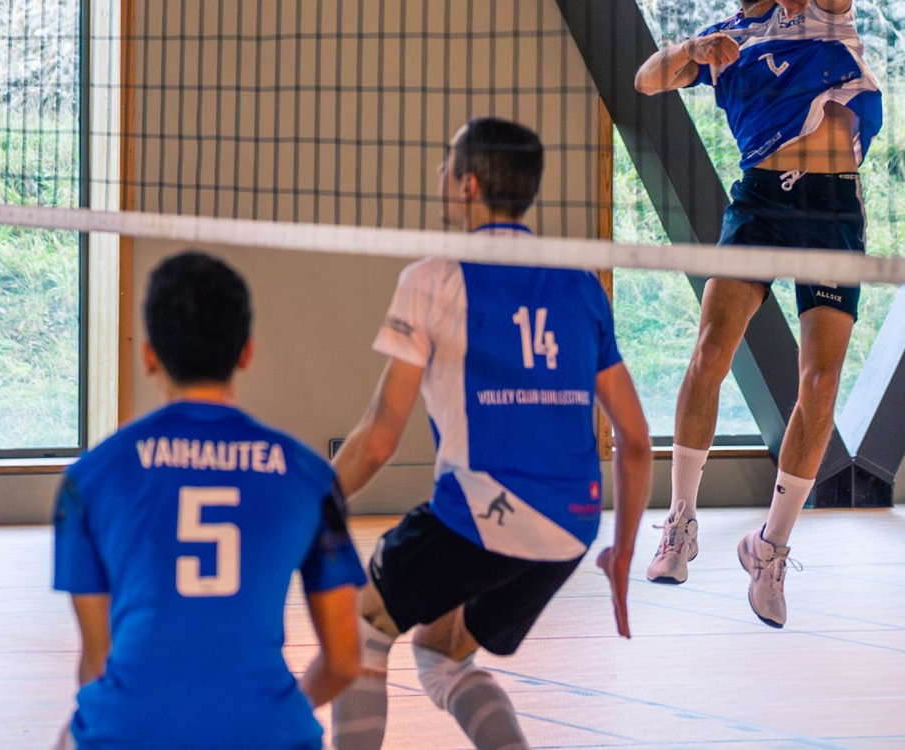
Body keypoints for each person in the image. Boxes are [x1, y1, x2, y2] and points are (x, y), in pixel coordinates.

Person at [327, 117, 655, 750]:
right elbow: (635, 440)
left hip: (482, 511)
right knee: (442, 656)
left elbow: (378, 439)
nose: (440, 176)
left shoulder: (431, 279)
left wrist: (307, 505)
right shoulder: (583, 286)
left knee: (359, 626)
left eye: (447, 165)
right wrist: (620, 551)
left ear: (468, 185)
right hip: (571, 528)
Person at [632, 0, 879, 626]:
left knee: (821, 382)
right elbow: (648, 80)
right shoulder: (725, 42)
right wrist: (692, 47)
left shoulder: (819, 5)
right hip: (763, 202)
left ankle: (770, 548)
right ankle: (680, 522)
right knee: (710, 350)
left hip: (832, 211)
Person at [51, 251, 366, 750]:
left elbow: (97, 661)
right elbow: (346, 660)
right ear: (246, 353)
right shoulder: (309, 478)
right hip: (270, 735)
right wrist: (273, 717)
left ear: (149, 354)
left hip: (129, 734)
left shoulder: (88, 481)